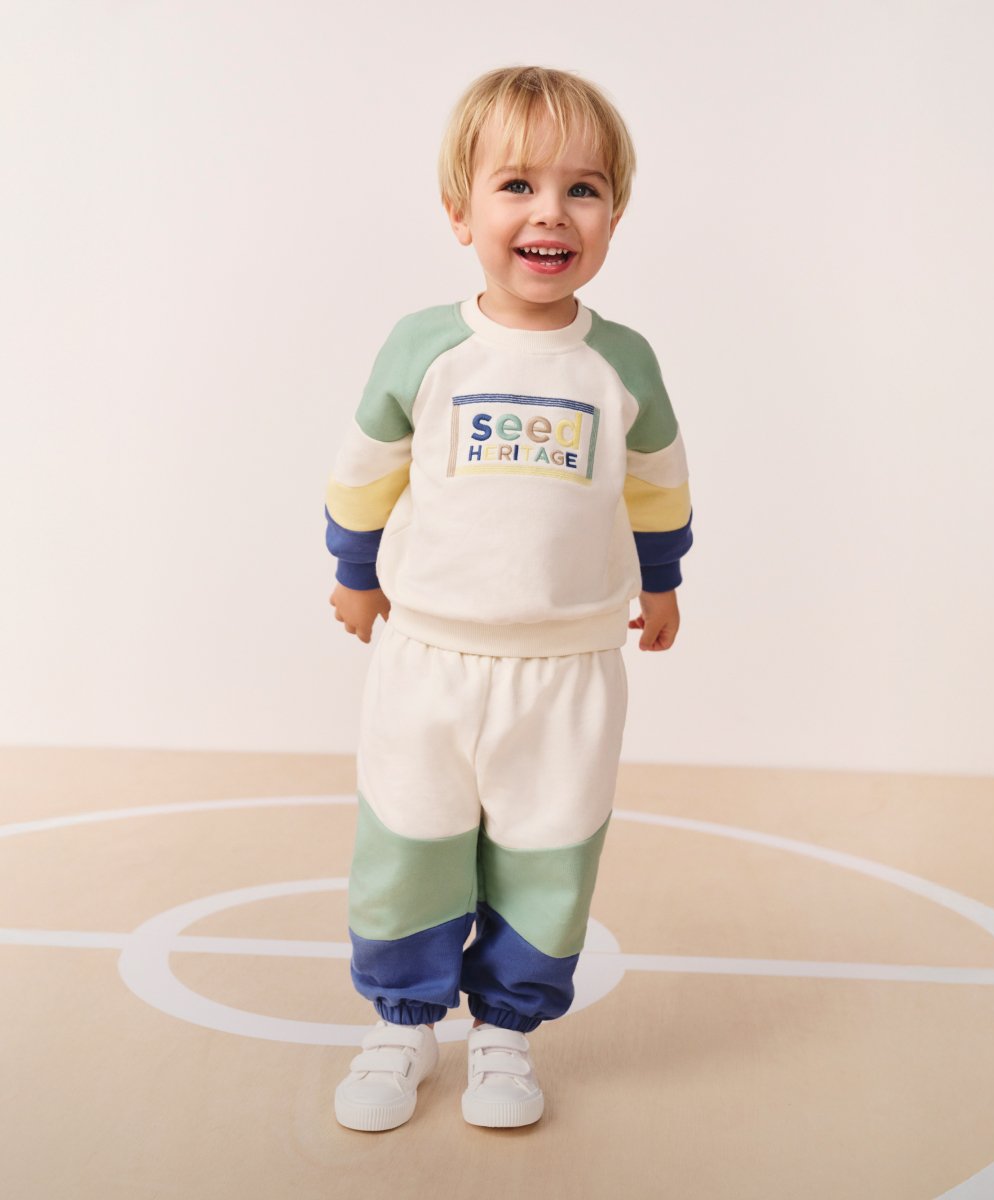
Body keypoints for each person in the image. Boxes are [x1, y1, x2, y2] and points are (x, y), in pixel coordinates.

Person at [324, 64, 693, 1132]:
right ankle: (401, 1024)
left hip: (570, 669)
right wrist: (354, 574)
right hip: (429, 659)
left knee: (550, 852)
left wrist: (663, 581)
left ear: (614, 214)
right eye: (518, 185)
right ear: (461, 212)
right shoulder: (425, 347)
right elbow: (365, 471)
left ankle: (506, 1032)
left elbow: (659, 484)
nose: (550, 212)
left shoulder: (621, 364)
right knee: (410, 843)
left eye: (583, 190)